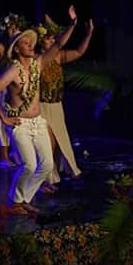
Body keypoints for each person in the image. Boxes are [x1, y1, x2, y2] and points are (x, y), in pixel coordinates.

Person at [0, 6, 76, 215]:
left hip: (38, 121)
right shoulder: (13, 71)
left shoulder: (38, 63)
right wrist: (4, 118)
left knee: (46, 165)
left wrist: (72, 24)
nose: (30, 45)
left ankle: (22, 199)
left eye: (31, 42)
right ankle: (15, 200)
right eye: (25, 43)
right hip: (20, 124)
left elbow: (59, 44)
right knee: (28, 165)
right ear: (17, 49)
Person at [37, 15, 93, 191]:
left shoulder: (58, 57)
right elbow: (60, 43)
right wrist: (72, 24)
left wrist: (88, 34)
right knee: (49, 142)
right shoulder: (38, 59)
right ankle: (47, 178)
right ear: (40, 41)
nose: (52, 41)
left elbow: (79, 52)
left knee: (61, 141)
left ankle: (65, 170)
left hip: (57, 106)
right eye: (49, 38)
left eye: (53, 38)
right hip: (42, 107)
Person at [0, 12, 30, 167]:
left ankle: (16, 152)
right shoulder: (1, 47)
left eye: (16, 27)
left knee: (18, 120)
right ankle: (3, 157)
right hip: (4, 90)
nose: (13, 30)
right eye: (10, 28)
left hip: (17, 90)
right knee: (2, 123)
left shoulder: (19, 48)